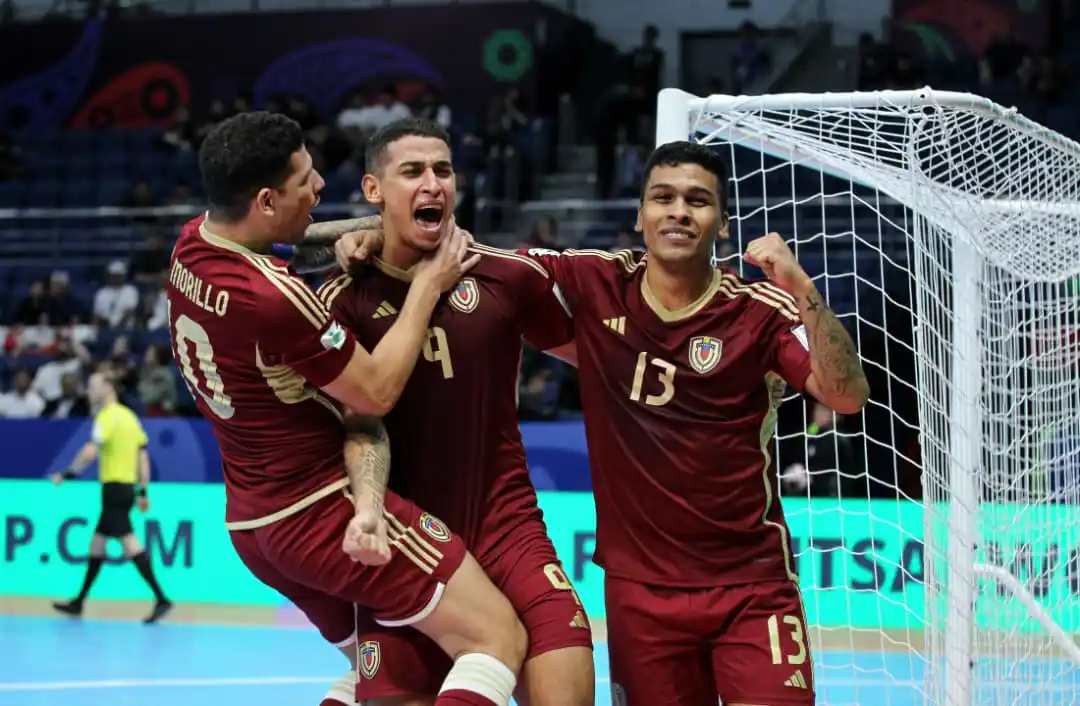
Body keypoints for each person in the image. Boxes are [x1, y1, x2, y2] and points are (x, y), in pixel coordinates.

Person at [330, 140, 870, 705]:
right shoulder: (595, 282)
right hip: (641, 596)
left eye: (697, 201)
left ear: (723, 224)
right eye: (662, 197)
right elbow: (456, 254)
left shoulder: (759, 310)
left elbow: (846, 394)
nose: (679, 212)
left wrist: (803, 288)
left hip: (752, 586)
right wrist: (368, 234)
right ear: (639, 216)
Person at [169, 110, 528, 706]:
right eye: (305, 180)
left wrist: (371, 230)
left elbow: (288, 239)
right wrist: (427, 285)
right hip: (321, 513)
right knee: (494, 640)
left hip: (253, 525)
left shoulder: (194, 244)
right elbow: (377, 391)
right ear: (264, 199)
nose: (318, 189)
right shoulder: (276, 299)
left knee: (389, 670)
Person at [320, 117, 594, 706]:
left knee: (570, 677)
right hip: (408, 541)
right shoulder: (342, 300)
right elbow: (356, 425)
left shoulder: (503, 276)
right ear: (374, 191)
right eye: (412, 171)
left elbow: (600, 359)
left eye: (443, 170)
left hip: (509, 528)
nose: (433, 184)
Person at [51, 371, 172, 624]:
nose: (89, 392)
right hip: (125, 490)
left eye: (94, 386)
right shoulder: (130, 418)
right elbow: (143, 458)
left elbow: (90, 450)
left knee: (130, 544)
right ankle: (79, 602)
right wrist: (143, 490)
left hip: (114, 489)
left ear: (109, 388)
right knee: (97, 545)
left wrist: (69, 473)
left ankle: (162, 598)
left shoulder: (106, 417)